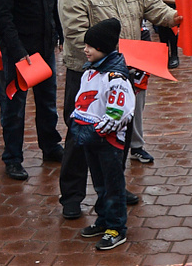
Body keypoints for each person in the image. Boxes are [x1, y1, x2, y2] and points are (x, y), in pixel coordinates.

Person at [57, 0, 181, 219]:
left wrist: (173, 17)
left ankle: (113, 189)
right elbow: (76, 35)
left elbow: (150, 4)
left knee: (118, 134)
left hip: (123, 73)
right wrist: (113, 55)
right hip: (87, 75)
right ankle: (72, 197)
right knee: (80, 136)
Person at [0, 0, 62, 180]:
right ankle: (13, 157)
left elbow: (56, 4)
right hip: (16, 54)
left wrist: (60, 33)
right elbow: (2, 17)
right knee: (14, 108)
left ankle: (50, 146)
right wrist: (19, 52)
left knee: (47, 102)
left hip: (45, 49)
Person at [72, 18, 135, 250]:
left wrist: (100, 130)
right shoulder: (90, 72)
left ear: (103, 47)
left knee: (112, 184)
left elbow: (121, 111)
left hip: (107, 140)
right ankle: (103, 219)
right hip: (90, 135)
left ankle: (116, 227)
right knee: (99, 182)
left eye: (90, 45)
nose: (85, 49)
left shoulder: (115, 77)